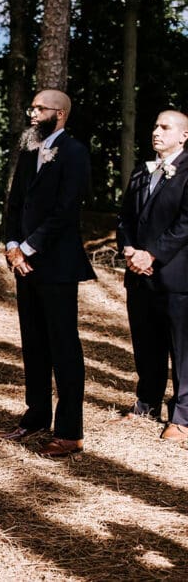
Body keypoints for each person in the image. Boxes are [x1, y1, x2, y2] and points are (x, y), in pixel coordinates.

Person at [0, 89, 95, 458]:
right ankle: (36, 415)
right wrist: (11, 245)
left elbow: (66, 211)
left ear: (61, 113)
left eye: (40, 108)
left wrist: (28, 247)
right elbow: (15, 205)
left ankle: (70, 432)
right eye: (32, 106)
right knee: (34, 343)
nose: (33, 113)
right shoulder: (27, 152)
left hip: (56, 265)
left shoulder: (74, 152)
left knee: (63, 346)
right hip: (22, 265)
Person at [115, 110, 188, 440]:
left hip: (176, 276)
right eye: (155, 125)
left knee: (182, 347)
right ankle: (146, 403)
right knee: (146, 342)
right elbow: (125, 219)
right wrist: (129, 250)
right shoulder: (140, 173)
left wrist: (153, 253)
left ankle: (183, 417)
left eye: (165, 127)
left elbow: (185, 223)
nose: (156, 131)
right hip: (139, 274)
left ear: (183, 136)